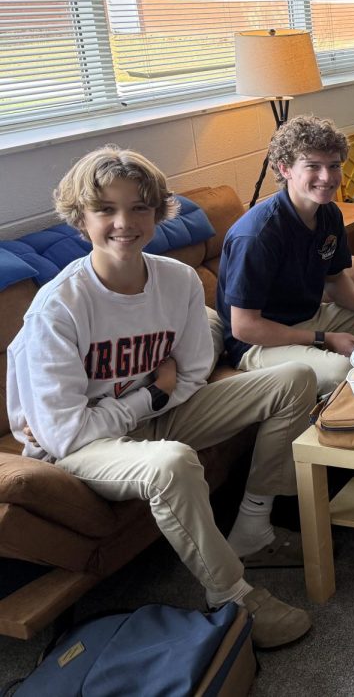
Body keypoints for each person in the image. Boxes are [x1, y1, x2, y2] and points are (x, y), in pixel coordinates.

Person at [6, 146, 315, 649]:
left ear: (156, 212)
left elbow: (193, 373)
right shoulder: (58, 309)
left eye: (139, 208)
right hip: (79, 451)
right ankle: (232, 598)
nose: (124, 223)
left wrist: (159, 398)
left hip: (156, 413)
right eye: (105, 209)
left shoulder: (177, 279)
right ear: (80, 220)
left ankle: (254, 526)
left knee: (296, 377)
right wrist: (151, 396)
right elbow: (64, 433)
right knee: (170, 463)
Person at [217, 115, 354, 394]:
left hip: (310, 317)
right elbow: (244, 327)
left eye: (334, 166)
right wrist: (323, 339)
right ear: (285, 169)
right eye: (313, 166)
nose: (327, 177)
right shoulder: (257, 235)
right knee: (341, 371)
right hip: (258, 343)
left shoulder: (329, 213)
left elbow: (334, 279)